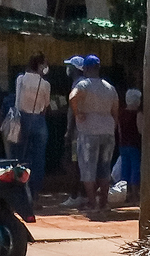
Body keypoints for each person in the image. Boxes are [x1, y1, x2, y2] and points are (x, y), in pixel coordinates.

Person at [69, 55, 119, 211]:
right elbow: (115, 111)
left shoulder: (83, 84)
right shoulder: (109, 87)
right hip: (108, 131)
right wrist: (112, 126)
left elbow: (73, 97)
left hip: (89, 131)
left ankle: (92, 203)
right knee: (105, 168)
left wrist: (77, 113)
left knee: (88, 168)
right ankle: (104, 203)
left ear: (85, 69)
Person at [15, 53, 52, 197]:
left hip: (22, 120)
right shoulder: (45, 84)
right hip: (39, 120)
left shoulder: (20, 79)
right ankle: (35, 194)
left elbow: (17, 102)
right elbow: (45, 106)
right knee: (38, 159)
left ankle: (21, 192)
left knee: (21, 156)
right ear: (41, 65)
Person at [61, 55, 88, 208]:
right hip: (82, 131)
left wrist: (69, 131)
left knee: (72, 163)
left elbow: (73, 111)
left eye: (70, 66)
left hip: (76, 133)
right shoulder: (82, 84)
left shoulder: (78, 86)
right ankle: (82, 194)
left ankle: (75, 195)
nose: (68, 69)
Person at [117, 88, 142, 204]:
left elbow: (119, 130)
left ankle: (125, 194)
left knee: (125, 169)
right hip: (134, 145)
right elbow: (140, 130)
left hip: (123, 145)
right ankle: (135, 194)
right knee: (135, 169)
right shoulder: (138, 114)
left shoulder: (121, 113)